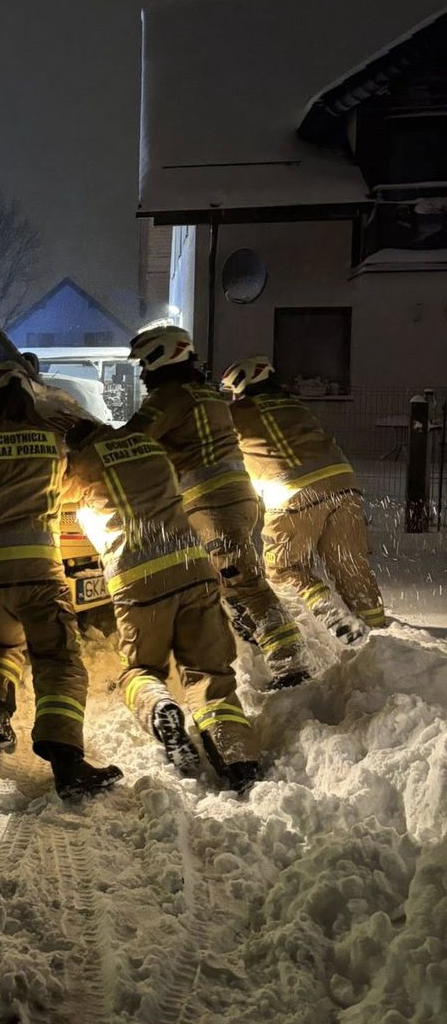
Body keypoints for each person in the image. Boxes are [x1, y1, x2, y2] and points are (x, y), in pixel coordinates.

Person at [0, 362, 123, 801]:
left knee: (0, 647)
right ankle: (67, 760)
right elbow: (70, 488)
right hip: (37, 570)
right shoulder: (51, 444)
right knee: (57, 658)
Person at [66, 412, 261, 794]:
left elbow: (43, 495)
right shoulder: (150, 447)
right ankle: (239, 761)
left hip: (139, 580)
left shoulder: (84, 463)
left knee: (141, 669)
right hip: (192, 567)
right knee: (210, 673)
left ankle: (159, 709)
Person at [126, 325, 308, 689]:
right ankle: (255, 637)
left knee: (245, 580)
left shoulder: (170, 397)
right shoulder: (206, 395)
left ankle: (291, 664)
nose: (143, 374)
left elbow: (131, 440)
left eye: (145, 364)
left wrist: (86, 438)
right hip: (233, 499)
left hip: (213, 503)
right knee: (223, 580)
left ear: (163, 359)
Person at [221, 357, 386, 642]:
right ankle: (378, 632)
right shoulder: (295, 406)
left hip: (294, 493)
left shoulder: (237, 413)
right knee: (349, 563)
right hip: (344, 486)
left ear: (241, 386)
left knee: (285, 569)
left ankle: (337, 621)